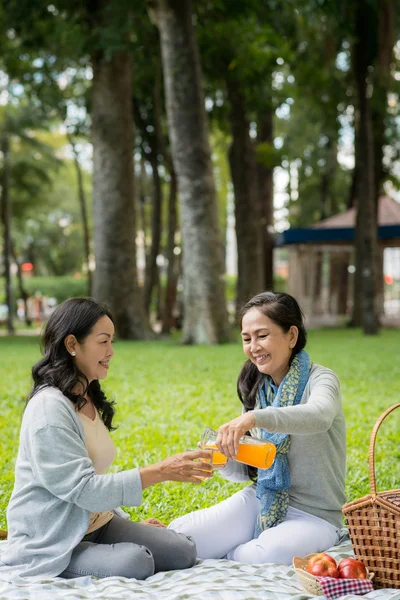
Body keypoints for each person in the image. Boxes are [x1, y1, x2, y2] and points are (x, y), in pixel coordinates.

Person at [0, 298, 212, 582]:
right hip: (53, 539)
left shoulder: (87, 395)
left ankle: (105, 550)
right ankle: (69, 561)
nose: (111, 351)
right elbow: (84, 489)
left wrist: (127, 523)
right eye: (103, 341)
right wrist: (162, 471)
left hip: (97, 522)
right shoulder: (49, 409)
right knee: (136, 562)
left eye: (112, 341)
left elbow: (94, 481)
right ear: (72, 344)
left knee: (182, 551)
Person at [169, 291, 346, 565]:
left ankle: (238, 550)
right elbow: (248, 471)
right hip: (262, 499)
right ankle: (237, 548)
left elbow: (319, 416)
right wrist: (224, 459)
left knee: (263, 555)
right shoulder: (258, 389)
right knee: (181, 537)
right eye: (246, 338)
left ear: (291, 336)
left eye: (262, 336)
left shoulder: (321, 379)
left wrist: (256, 418)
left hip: (314, 514)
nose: (253, 347)